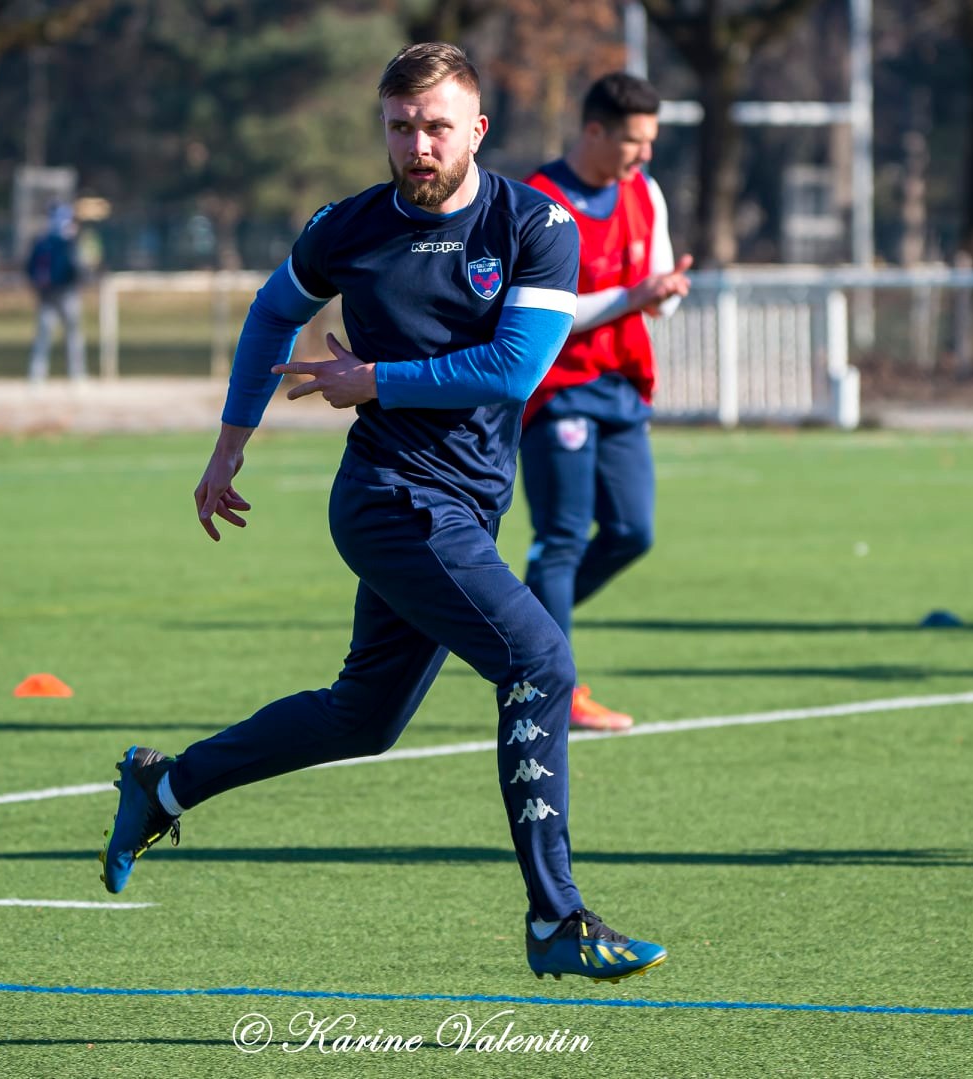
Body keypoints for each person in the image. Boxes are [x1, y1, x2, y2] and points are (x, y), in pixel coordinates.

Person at [97, 43, 667, 985]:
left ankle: (163, 785)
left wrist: (374, 379)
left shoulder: (535, 225)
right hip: (389, 500)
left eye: (437, 126)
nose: (418, 145)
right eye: (401, 127)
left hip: (467, 502)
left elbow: (514, 368)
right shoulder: (348, 227)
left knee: (363, 717)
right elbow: (269, 315)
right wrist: (231, 442)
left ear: (476, 130)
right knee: (539, 658)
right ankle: (556, 917)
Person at [520, 73, 694, 732]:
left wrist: (667, 289)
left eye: (650, 141)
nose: (644, 155)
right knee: (561, 537)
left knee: (631, 531)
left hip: (622, 385)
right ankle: (553, 685)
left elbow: (661, 293)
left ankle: (517, 625)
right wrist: (635, 296)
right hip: (558, 389)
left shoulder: (644, 193)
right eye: (633, 141)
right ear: (593, 131)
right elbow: (548, 316)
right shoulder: (538, 201)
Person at [26, 203, 87, 383]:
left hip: (67, 294)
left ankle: (76, 374)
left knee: (72, 336)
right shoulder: (44, 242)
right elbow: (30, 267)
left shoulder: (71, 243)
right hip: (48, 296)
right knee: (44, 336)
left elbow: (78, 270)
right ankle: (37, 375)